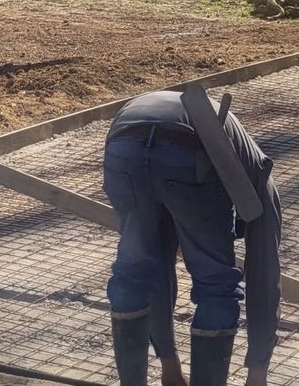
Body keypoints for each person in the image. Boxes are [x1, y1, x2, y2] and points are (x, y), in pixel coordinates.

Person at [104, 89, 281, 386]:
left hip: (123, 144)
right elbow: (264, 271)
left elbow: (158, 262)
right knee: (216, 284)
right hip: (187, 148)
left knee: (134, 272)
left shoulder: (250, 169)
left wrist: (170, 369)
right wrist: (258, 372)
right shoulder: (258, 177)